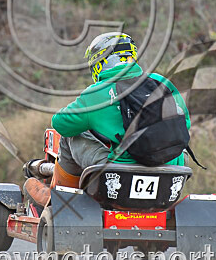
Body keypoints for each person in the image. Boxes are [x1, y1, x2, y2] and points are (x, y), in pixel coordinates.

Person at [21, 32, 191, 207]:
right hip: (171, 175)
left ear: (100, 62)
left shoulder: (98, 92)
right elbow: (185, 123)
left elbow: (60, 124)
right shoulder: (161, 82)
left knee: (70, 136)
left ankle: (60, 200)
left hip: (118, 178)